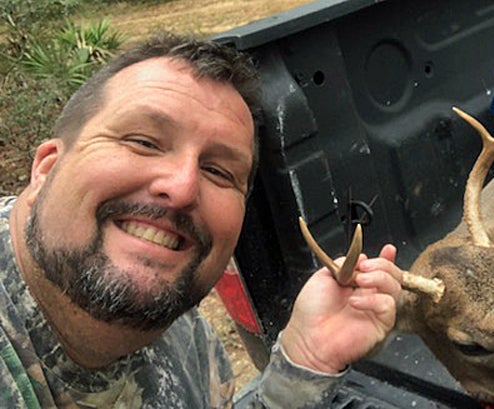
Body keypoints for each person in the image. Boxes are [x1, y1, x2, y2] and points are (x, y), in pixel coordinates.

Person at [0, 32, 404, 408]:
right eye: (143, 142)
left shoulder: (190, 343)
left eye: (219, 172)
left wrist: (305, 359)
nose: (182, 187)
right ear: (46, 169)